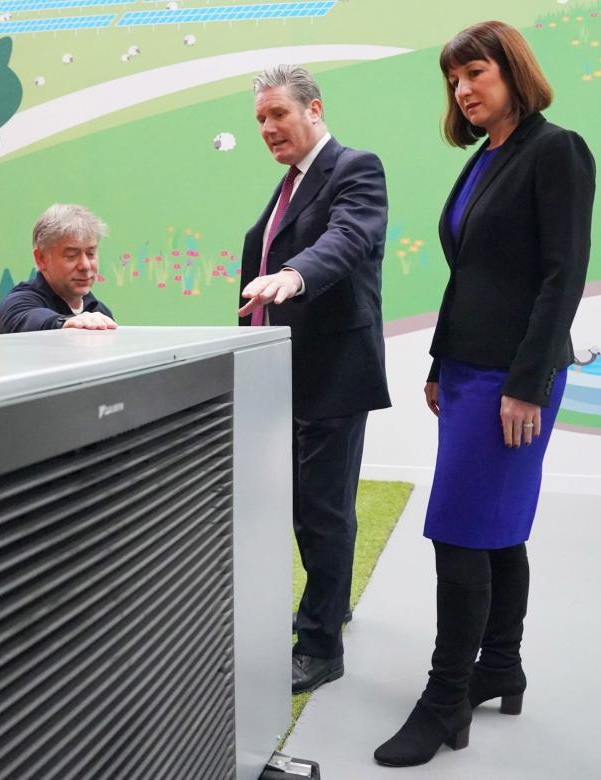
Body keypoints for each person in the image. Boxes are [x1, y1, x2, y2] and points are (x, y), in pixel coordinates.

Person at [373, 21, 595, 767]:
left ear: (512, 71)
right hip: (469, 373)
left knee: (459, 529)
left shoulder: (555, 149)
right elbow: (470, 275)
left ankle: (445, 701)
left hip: (514, 379)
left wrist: (527, 384)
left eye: (476, 73)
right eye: (454, 80)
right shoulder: (486, 160)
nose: (464, 90)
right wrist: (439, 364)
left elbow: (562, 274)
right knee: (494, 523)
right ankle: (499, 665)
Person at [238, 64, 391, 694]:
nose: (269, 128)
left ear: (314, 109)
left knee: (322, 511)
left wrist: (294, 276)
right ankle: (334, 606)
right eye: (261, 120)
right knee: (306, 506)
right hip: (286, 373)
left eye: (278, 114)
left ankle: (321, 646)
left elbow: (348, 238)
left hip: (332, 371)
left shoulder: (355, 167)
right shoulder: (288, 186)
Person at [0, 203, 117, 333]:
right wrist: (65, 323)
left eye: (91, 254)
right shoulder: (17, 304)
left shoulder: (100, 312)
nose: (85, 266)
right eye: (71, 255)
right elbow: (29, 319)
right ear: (41, 259)